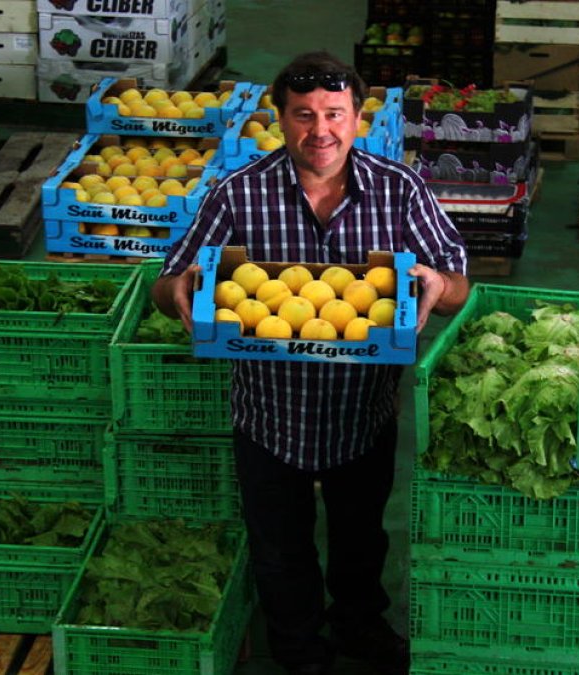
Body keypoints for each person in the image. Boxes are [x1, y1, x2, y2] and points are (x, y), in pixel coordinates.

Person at [152, 51, 469, 675]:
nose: (319, 130)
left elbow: (457, 280)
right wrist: (182, 290)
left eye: (333, 114)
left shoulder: (399, 189)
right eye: (303, 115)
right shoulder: (237, 193)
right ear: (280, 118)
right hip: (271, 413)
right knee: (279, 549)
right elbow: (168, 284)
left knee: (361, 536)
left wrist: (436, 283)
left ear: (357, 119)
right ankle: (297, 646)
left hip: (362, 410)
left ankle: (359, 625)